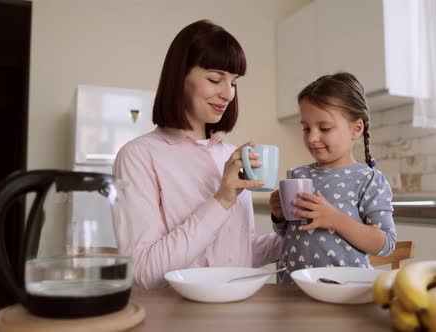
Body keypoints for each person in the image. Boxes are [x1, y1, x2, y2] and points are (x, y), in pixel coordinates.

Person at [113, 20, 283, 289]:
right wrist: (222, 199)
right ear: (180, 77)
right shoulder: (138, 157)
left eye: (234, 82)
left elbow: (238, 254)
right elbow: (144, 272)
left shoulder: (231, 155)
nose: (228, 94)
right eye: (215, 79)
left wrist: (299, 233)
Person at [269, 72, 396, 284]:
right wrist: (278, 216)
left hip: (344, 292)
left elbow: (385, 243)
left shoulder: (367, 180)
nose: (312, 137)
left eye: (324, 128)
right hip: (293, 289)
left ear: (356, 129)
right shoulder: (297, 176)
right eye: (306, 128)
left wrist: (335, 219)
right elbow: (287, 232)